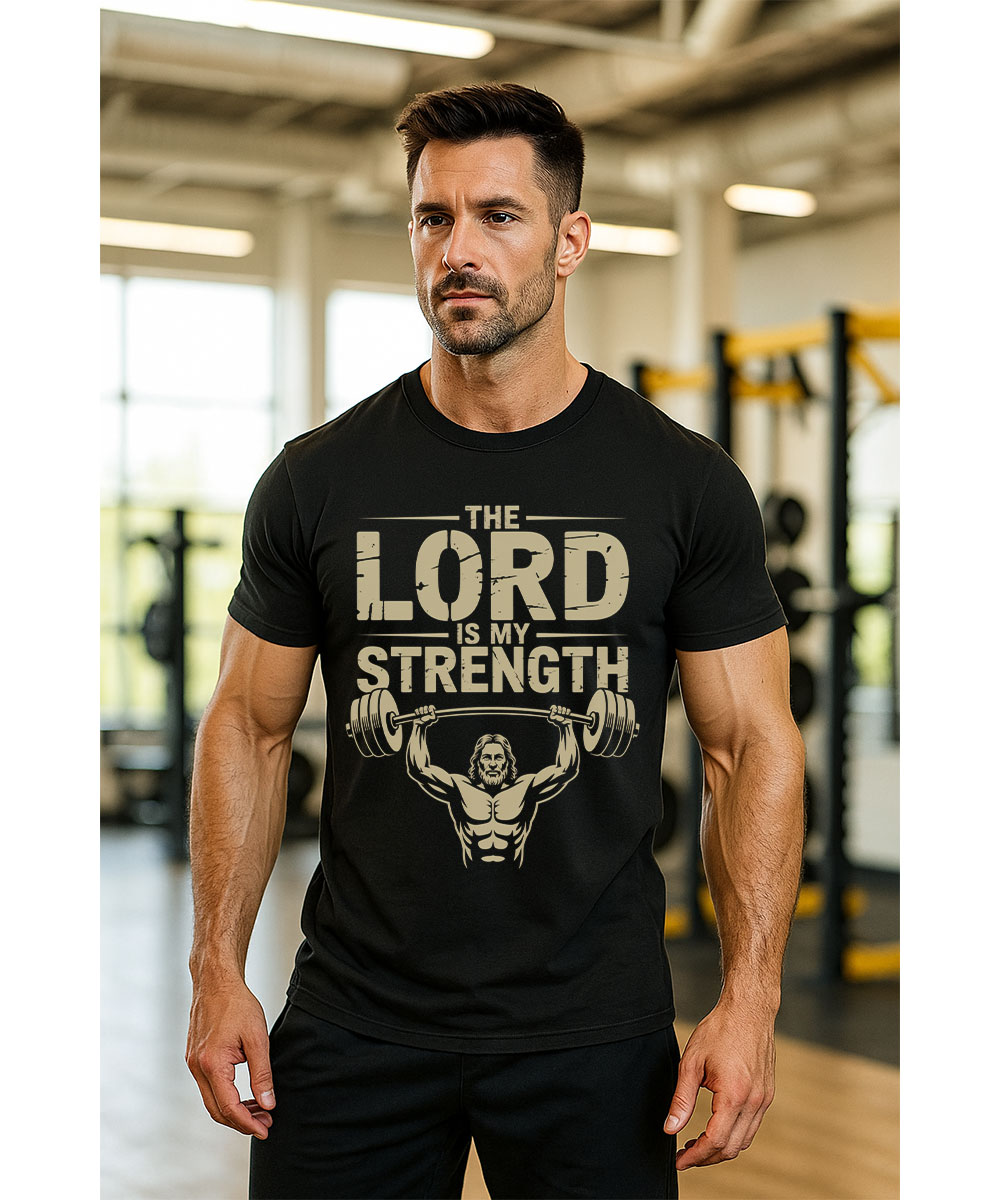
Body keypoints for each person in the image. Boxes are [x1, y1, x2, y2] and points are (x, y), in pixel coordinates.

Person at [185, 82, 805, 1200]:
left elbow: (750, 746)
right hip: (355, 1022)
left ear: (570, 240)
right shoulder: (318, 480)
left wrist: (749, 999)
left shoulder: (683, 485)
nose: (458, 249)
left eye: (498, 216)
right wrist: (215, 972)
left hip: (595, 1032)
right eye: (434, 218)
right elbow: (247, 722)